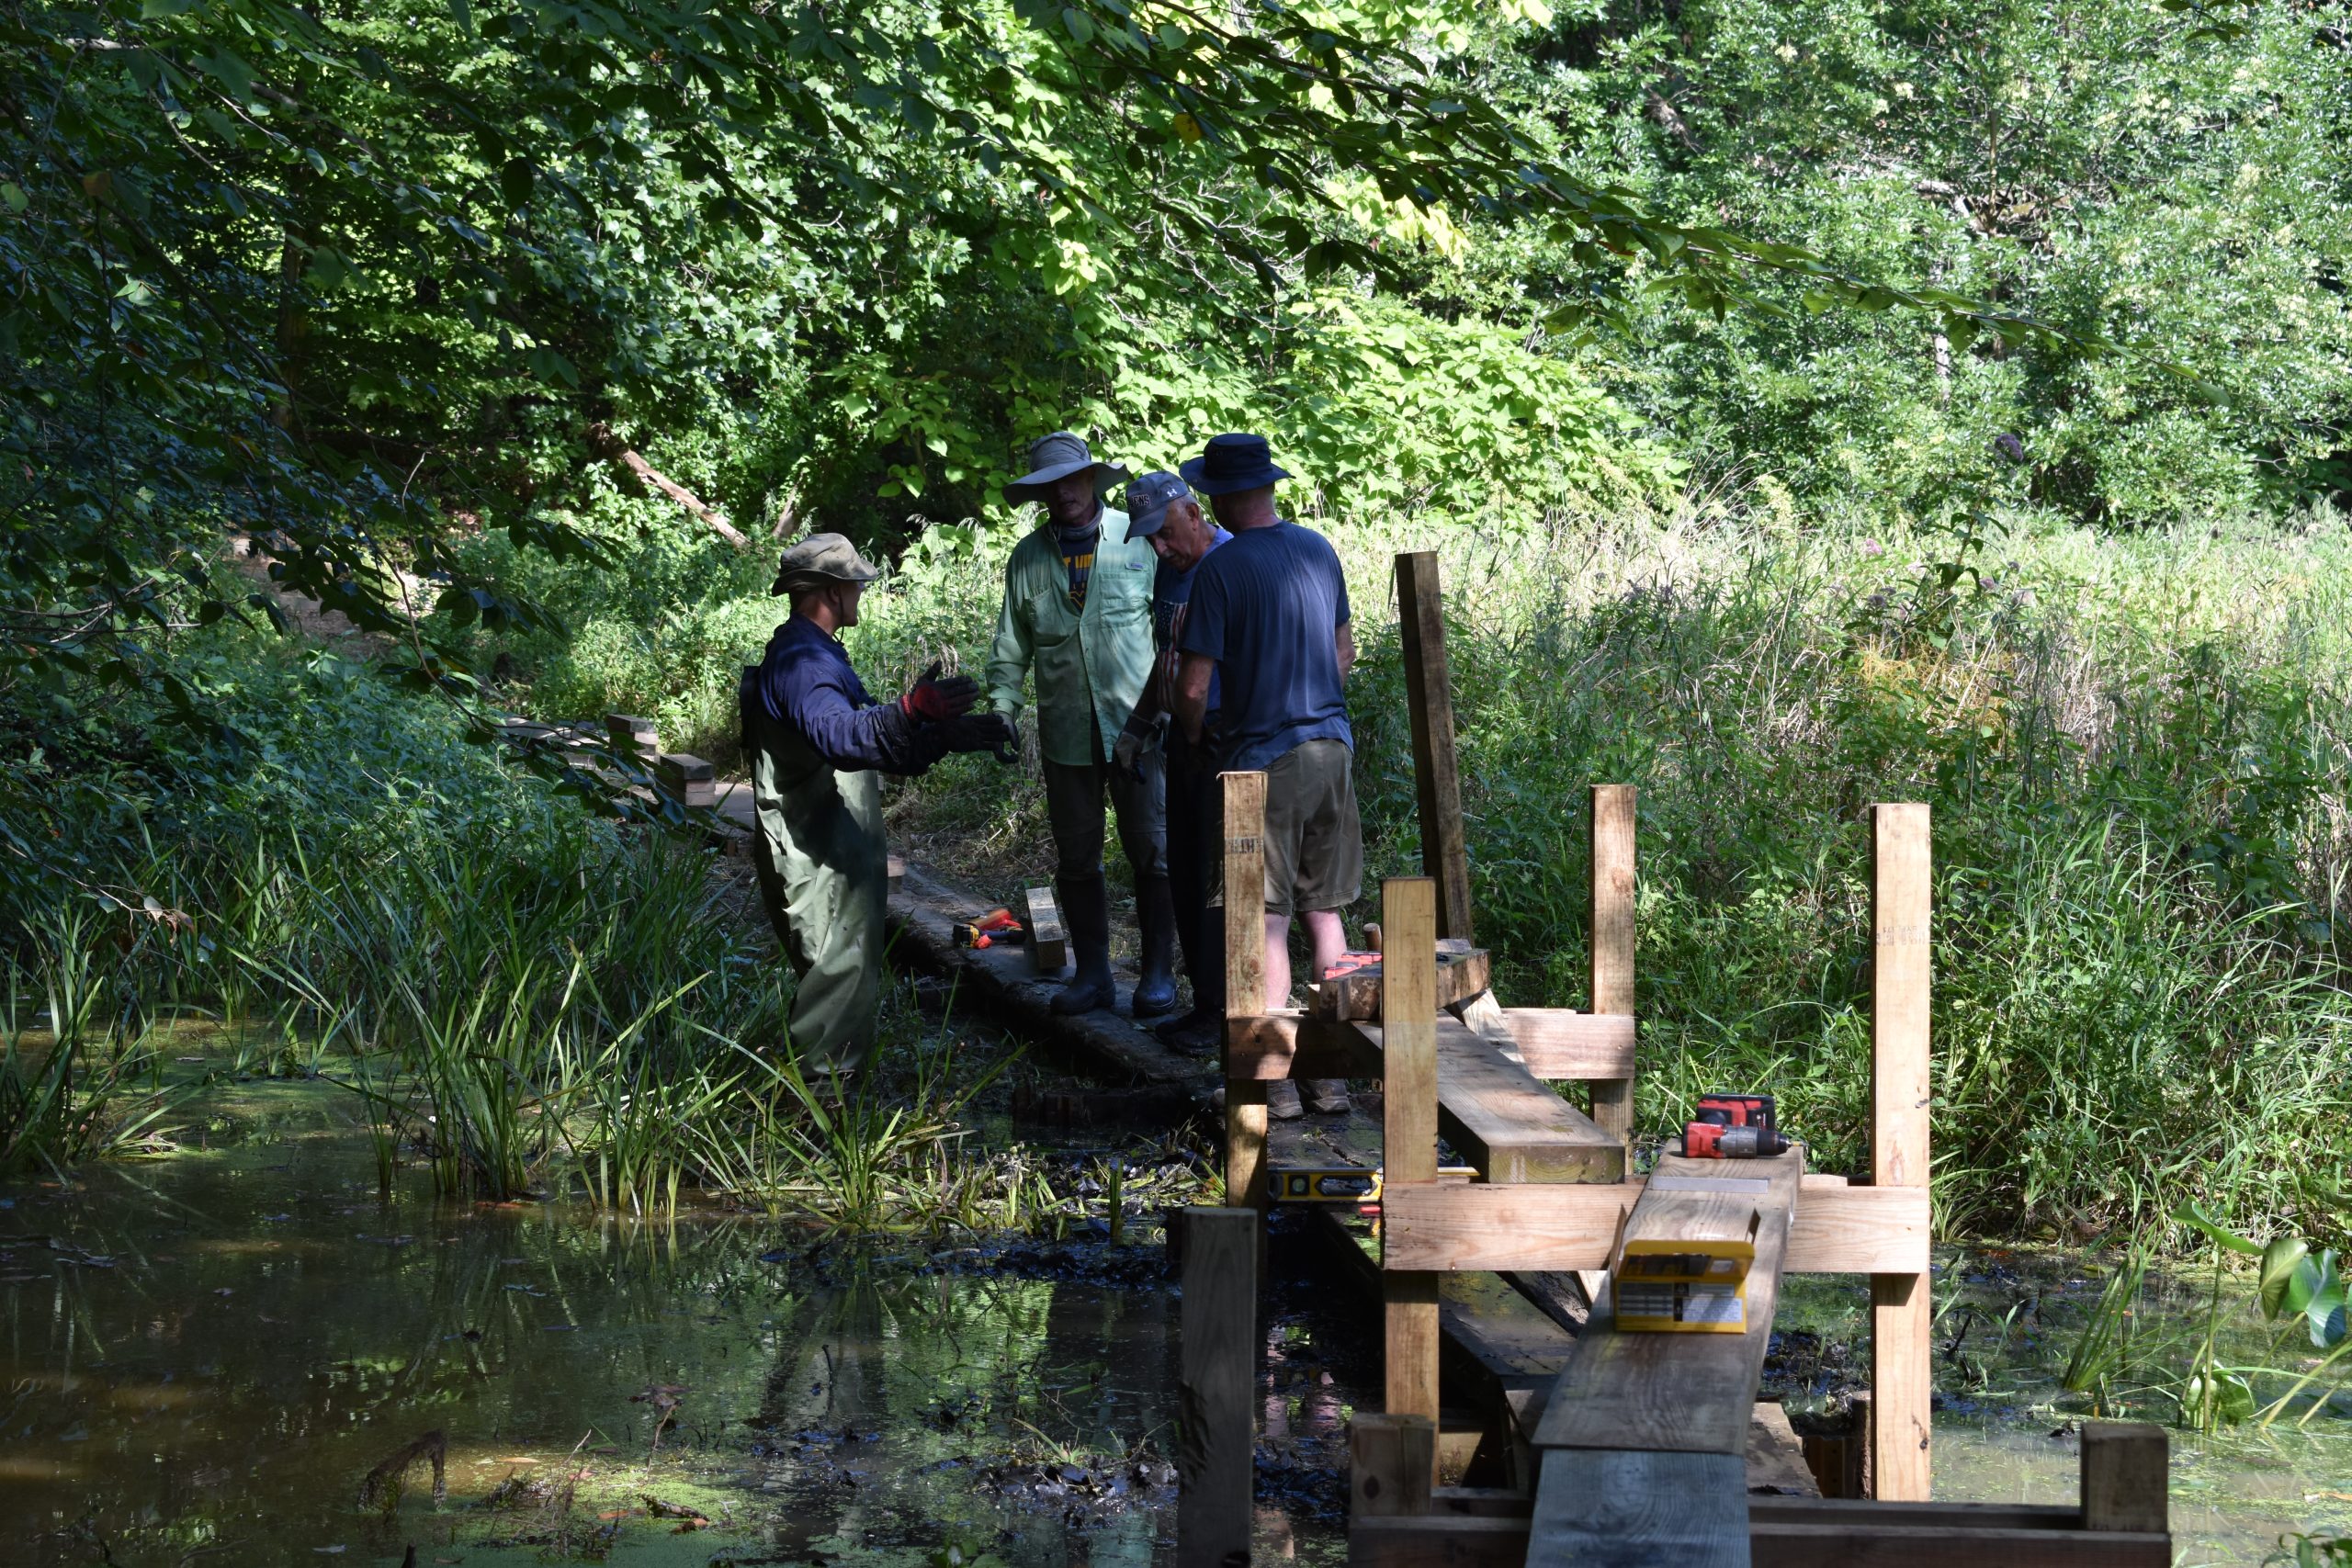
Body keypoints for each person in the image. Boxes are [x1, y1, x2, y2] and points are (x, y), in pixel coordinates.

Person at [741, 533, 1014, 1077]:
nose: (861, 593)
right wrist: (910, 709)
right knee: (836, 979)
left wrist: (946, 734)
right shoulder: (801, 662)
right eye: (855, 585)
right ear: (830, 591)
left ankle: (828, 1113)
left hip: (831, 848)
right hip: (815, 854)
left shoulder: (815, 652)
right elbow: (842, 737)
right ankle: (819, 1124)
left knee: (844, 975)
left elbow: (873, 745)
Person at [1170, 434, 1359, 1117]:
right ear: (1269, 486)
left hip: (1264, 761)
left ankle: (1273, 1082)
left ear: (1219, 497)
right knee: (1325, 911)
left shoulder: (1220, 571)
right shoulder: (1318, 549)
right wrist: (1313, 704)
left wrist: (1197, 742)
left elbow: (1193, 688)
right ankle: (1330, 1076)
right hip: (1332, 746)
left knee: (1268, 920)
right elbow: (1344, 649)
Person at [985, 431, 1175, 1018]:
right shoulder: (1028, 558)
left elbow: (1173, 632)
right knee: (1076, 857)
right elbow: (1011, 646)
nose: (1063, 493)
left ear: (1092, 479)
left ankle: (1158, 975)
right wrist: (1002, 709)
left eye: (1072, 480)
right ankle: (1093, 975)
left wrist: (1177, 709)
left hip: (1139, 730)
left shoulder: (1138, 539)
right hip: (1067, 733)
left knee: (1155, 851)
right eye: (1050, 486)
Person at [1112, 471, 1232, 1054]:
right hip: (1181, 741)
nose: (1159, 549)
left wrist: (1209, 730)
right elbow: (1168, 663)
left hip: (1221, 744)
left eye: (1162, 534)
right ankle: (1206, 1004)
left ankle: (1230, 1013)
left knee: (1218, 882)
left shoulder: (1235, 564)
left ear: (1192, 512)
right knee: (1183, 873)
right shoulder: (1172, 570)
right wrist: (1137, 727)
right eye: (1150, 540)